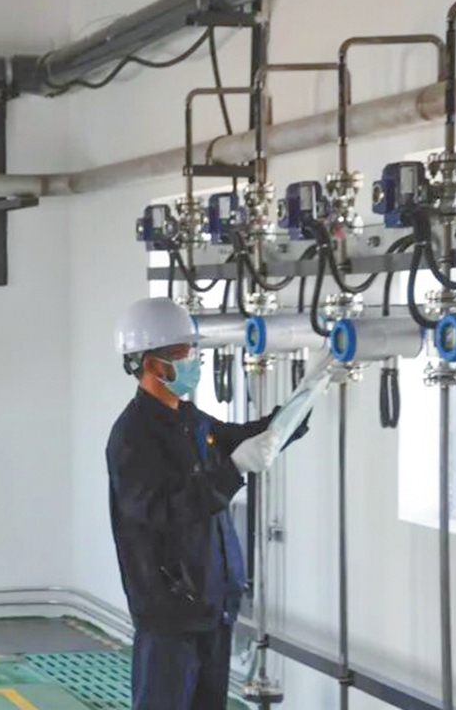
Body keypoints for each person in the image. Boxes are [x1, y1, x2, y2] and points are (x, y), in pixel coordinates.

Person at [106, 298, 316, 710]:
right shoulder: (131, 437)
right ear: (152, 364)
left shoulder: (190, 419)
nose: (194, 361)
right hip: (169, 616)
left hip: (213, 605)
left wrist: (300, 405)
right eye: (184, 353)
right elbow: (163, 512)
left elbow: (247, 437)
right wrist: (232, 469)